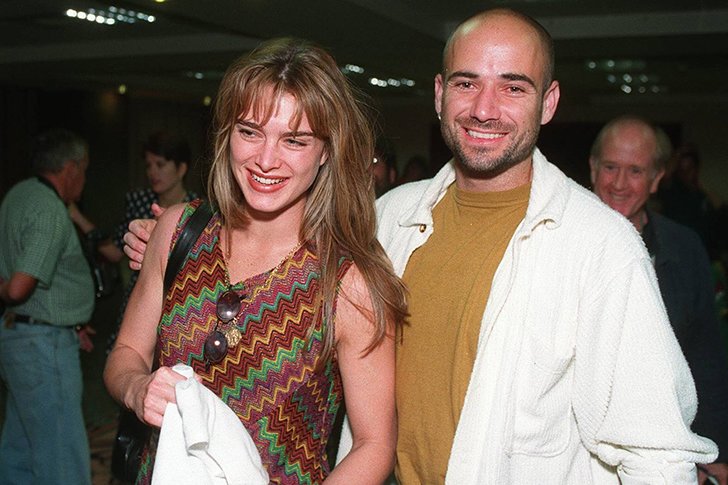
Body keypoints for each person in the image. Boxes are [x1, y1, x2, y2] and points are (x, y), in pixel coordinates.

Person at [124, 9, 719, 484]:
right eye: (466, 83)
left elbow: (656, 454)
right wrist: (172, 250)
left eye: (513, 87)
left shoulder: (601, 247)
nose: (484, 108)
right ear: (439, 94)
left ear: (550, 101)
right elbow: (289, 263)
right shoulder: (391, 216)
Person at [104, 38, 407, 484]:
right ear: (227, 134)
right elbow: (127, 353)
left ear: (326, 151)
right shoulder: (178, 232)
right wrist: (137, 388)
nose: (265, 160)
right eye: (249, 132)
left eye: (294, 140)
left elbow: (374, 443)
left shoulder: (347, 282)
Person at [589, 115, 728, 485]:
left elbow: (705, 356)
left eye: (635, 171)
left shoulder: (684, 248)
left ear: (656, 179)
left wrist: (715, 451)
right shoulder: (558, 241)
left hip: (662, 451)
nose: (619, 184)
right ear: (592, 168)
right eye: (610, 167)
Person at [0, 129, 96, 484]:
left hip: (18, 334)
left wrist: (71, 321)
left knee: (21, 450)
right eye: (84, 170)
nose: (83, 180)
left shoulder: (18, 195)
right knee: (62, 458)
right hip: (42, 345)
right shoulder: (50, 209)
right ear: (70, 169)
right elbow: (20, 287)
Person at [69, 130, 199, 349]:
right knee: (127, 355)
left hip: (181, 303)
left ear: (181, 168)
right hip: (140, 297)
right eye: (148, 165)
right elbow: (114, 251)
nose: (152, 172)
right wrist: (77, 217)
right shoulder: (139, 200)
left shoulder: (198, 210)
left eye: (160, 164)